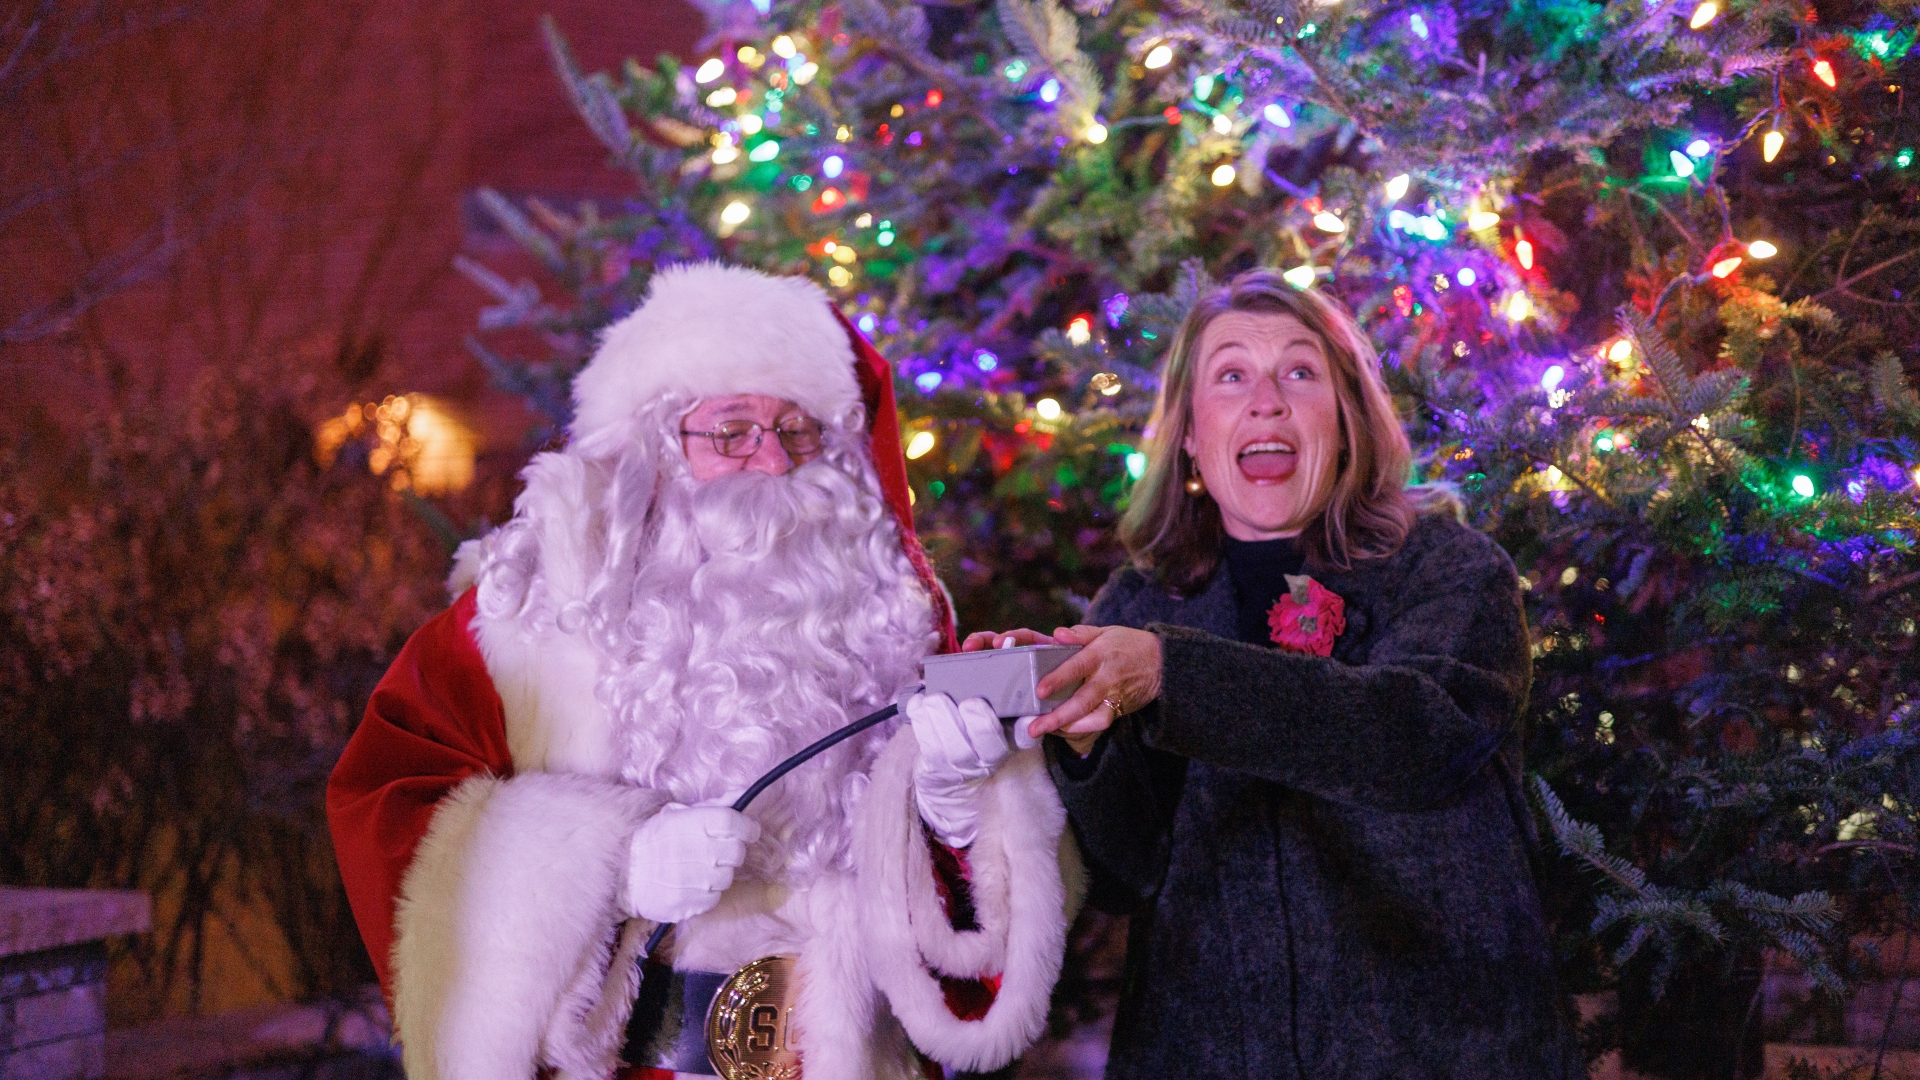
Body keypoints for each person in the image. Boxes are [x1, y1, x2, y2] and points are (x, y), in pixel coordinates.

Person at [327, 263, 1079, 1080]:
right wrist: (611, 866)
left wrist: (959, 820)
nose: (773, 462)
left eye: (801, 433)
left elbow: (963, 947)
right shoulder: (521, 619)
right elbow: (389, 810)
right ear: (656, 447)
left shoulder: (888, 625)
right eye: (731, 431)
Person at [971, 269, 1582, 1078]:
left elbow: (1412, 736)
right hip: (1202, 1046)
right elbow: (1123, 876)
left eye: (1300, 371)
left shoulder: (1449, 569)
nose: (1267, 400)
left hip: (1437, 1043)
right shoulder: (1140, 600)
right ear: (1189, 433)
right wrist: (1086, 745)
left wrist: (1168, 674)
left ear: (1347, 417)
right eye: (1231, 376)